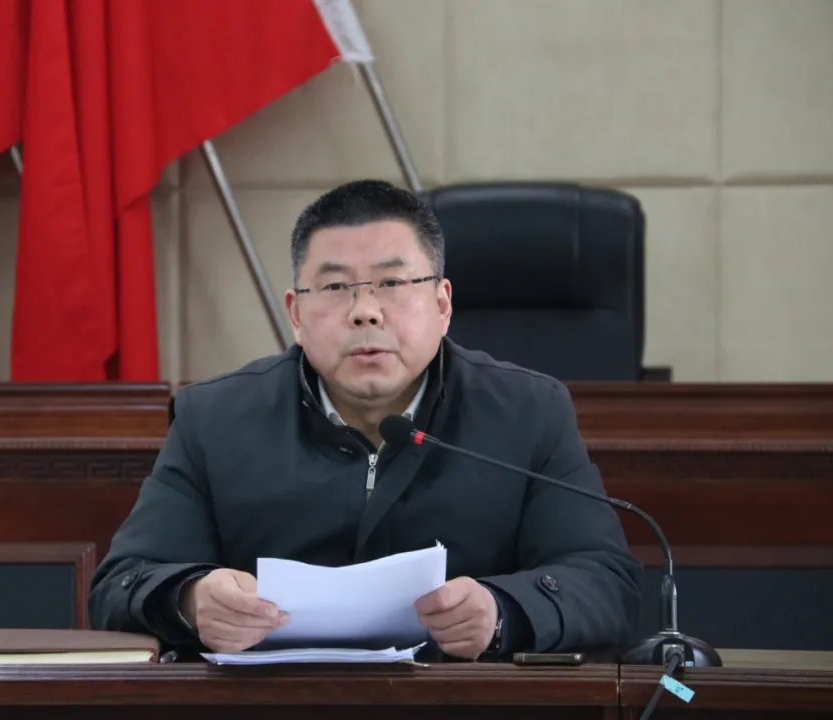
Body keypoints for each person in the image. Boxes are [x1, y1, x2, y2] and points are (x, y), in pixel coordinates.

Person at [89, 179, 642, 661]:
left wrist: (503, 612)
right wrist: (190, 600)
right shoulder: (216, 418)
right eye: (335, 288)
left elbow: (606, 584)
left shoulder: (527, 412)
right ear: (296, 314)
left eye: (392, 284)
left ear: (442, 304)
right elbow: (120, 584)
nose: (365, 311)